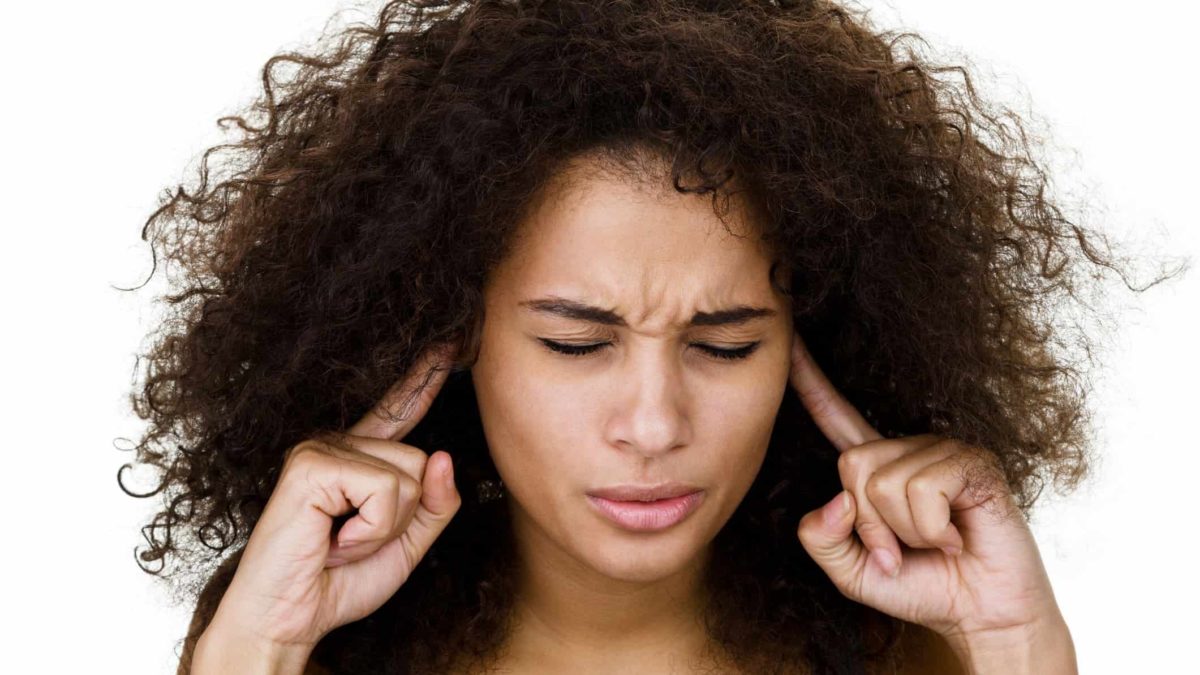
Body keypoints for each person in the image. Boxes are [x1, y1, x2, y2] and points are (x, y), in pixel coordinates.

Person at [118, 0, 1165, 672]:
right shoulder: (305, 649)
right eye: (577, 344)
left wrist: (1017, 644)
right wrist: (259, 644)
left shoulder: (922, 654)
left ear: (818, 343)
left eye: (726, 346)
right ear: (449, 335)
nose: (655, 424)